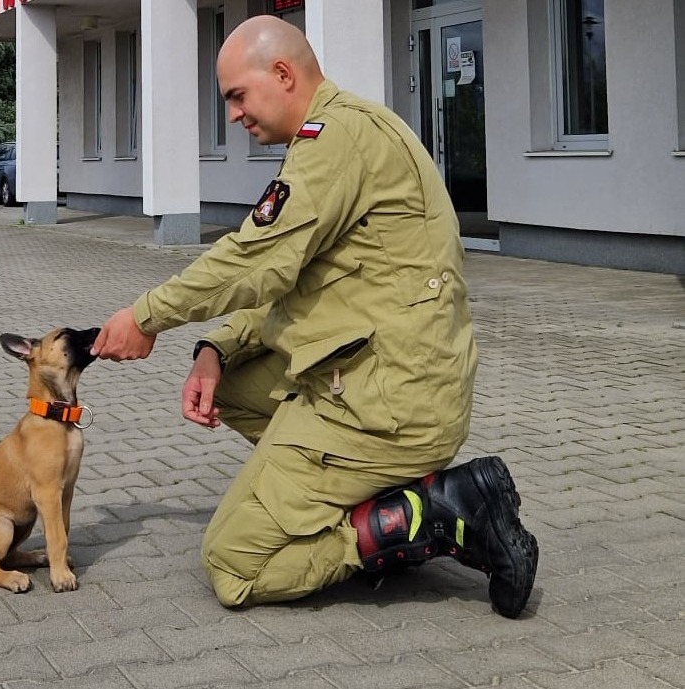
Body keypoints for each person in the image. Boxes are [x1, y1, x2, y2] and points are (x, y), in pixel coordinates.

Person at [90, 15, 538, 618]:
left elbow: (255, 258)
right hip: (374, 379)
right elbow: (291, 280)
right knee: (231, 386)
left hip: (390, 407)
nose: (233, 116)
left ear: (282, 74)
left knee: (233, 563)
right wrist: (216, 349)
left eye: (237, 96)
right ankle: (351, 491)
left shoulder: (335, 140)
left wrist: (146, 317)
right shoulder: (337, 132)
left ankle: (426, 515)